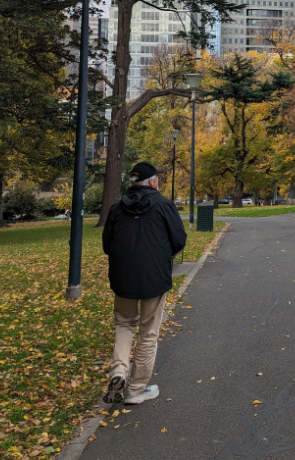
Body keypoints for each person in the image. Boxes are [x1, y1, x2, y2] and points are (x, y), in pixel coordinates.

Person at [102, 161, 186, 406]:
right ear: (152, 182)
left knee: (124, 324)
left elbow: (107, 245)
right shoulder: (163, 206)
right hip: (154, 277)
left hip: (123, 278)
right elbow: (179, 239)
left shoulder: (117, 209)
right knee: (148, 332)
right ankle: (137, 388)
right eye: (157, 178)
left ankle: (119, 371)